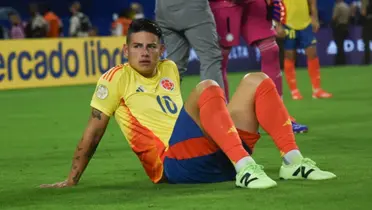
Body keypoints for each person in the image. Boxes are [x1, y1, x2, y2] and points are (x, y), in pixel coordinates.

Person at [40, 19, 336, 190]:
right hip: (173, 165)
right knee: (208, 86)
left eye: (151, 46)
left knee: (257, 80)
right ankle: (246, 168)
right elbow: (93, 132)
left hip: (215, 158)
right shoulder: (116, 78)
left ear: (161, 50)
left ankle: (293, 162)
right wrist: (71, 180)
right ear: (125, 49)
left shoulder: (169, 69)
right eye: (137, 46)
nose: (144, 52)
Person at [209, 0, 308, 134]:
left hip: (254, 4)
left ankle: (278, 117)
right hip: (225, 4)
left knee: (270, 50)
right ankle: (224, 119)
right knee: (219, 59)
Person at [155, 0, 225, 96]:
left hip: (164, 10)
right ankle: (213, 107)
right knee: (209, 59)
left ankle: (164, 105)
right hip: (193, 9)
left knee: (174, 64)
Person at [278, 0, 333, 100]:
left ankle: (317, 90)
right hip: (288, 24)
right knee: (289, 55)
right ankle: (294, 91)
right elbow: (274, 4)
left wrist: (315, 18)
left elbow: (312, 2)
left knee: (312, 53)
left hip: (305, 24)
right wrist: (277, 25)